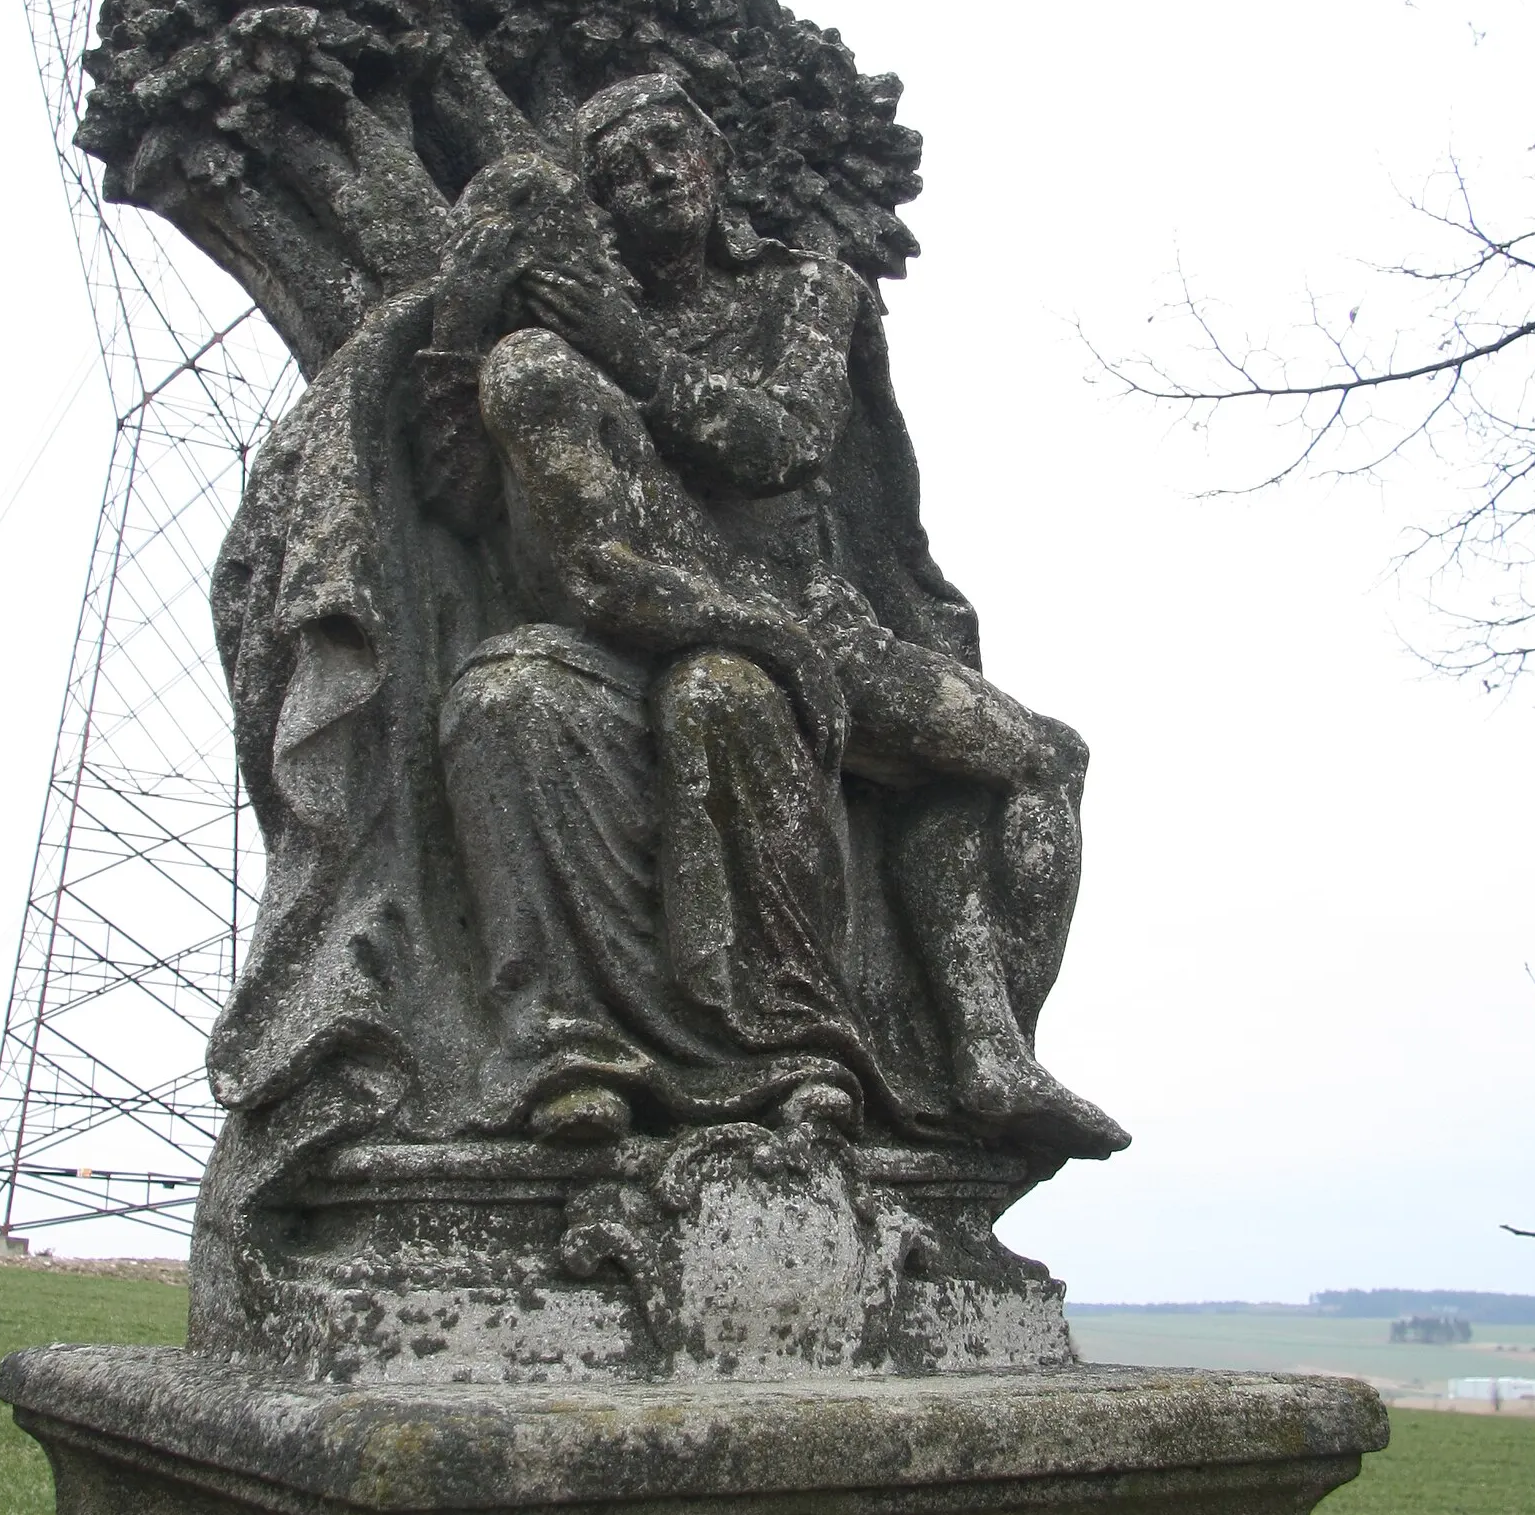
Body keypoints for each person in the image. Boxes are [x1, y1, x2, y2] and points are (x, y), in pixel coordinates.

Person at [418, 71, 1124, 1157]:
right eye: (619, 169)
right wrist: (474, 323)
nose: (654, 175)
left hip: (822, 616)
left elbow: (781, 444)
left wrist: (630, 348)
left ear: (713, 160)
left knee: (1034, 760)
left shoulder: (803, 290)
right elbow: (465, 492)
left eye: (672, 147)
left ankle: (986, 1048)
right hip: (673, 616)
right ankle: (925, 1052)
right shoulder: (568, 323)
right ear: (596, 202)